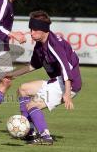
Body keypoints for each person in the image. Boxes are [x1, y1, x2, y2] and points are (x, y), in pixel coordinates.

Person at [6, 10, 82, 145]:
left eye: (34, 30)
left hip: (68, 83)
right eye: (31, 29)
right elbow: (33, 65)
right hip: (57, 81)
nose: (31, 33)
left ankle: (45, 137)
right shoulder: (40, 45)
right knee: (23, 89)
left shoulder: (54, 44)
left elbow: (66, 68)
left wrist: (67, 94)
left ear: (44, 30)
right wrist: (12, 75)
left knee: (32, 105)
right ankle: (29, 132)